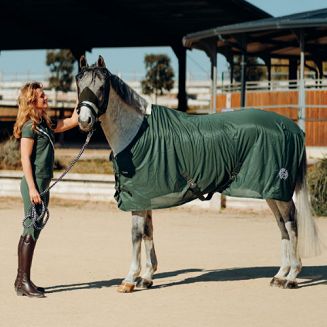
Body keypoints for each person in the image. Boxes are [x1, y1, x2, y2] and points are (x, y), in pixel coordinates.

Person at [13, 82, 79, 298]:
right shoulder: (29, 126)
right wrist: (32, 189)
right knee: (31, 230)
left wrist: (82, 97)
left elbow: (71, 121)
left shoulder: (44, 123)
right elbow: (24, 158)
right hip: (35, 185)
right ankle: (23, 282)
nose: (46, 97)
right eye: (42, 96)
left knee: (32, 230)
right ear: (32, 101)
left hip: (42, 184)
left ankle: (21, 280)